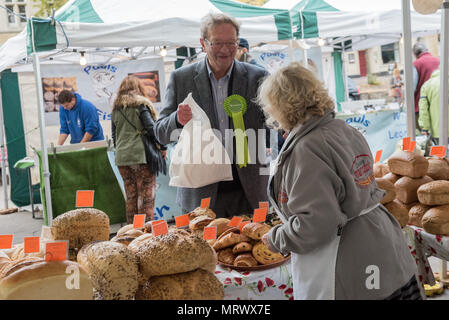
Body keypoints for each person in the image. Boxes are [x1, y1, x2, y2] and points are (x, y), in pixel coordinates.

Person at [257, 62, 421, 300]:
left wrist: (277, 238)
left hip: (349, 258)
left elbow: (316, 223)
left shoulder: (308, 147)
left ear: (280, 105)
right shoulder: (342, 128)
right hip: (381, 242)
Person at [154, 13, 269, 218]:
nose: (225, 50)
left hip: (249, 192)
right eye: (217, 43)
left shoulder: (257, 77)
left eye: (231, 43)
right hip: (201, 194)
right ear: (203, 44)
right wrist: (177, 120)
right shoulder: (182, 78)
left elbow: (273, 120)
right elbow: (160, 133)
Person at [111, 76, 167, 224]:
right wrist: (162, 147)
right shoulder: (141, 105)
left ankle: (133, 231)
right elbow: (151, 129)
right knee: (146, 195)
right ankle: (146, 233)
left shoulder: (116, 109)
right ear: (140, 89)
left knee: (131, 196)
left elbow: (114, 136)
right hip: (141, 156)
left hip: (122, 158)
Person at [412, 42, 440, 129]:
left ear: (415, 54)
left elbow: (412, 88)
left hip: (422, 107)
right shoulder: (439, 61)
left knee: (423, 135)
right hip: (439, 104)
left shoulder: (416, 64)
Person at [418, 69, 446, 145]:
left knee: (440, 154)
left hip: (438, 130)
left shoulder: (427, 85)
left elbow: (423, 109)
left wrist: (425, 128)